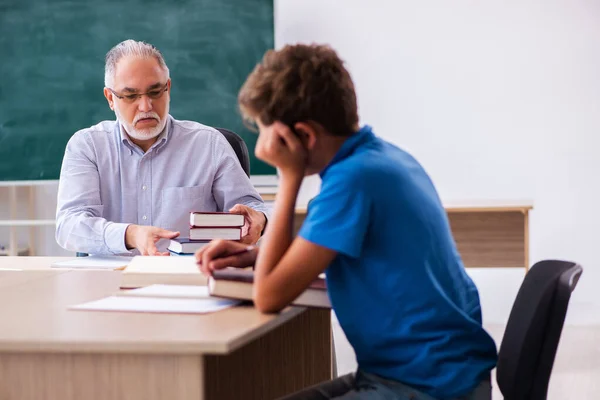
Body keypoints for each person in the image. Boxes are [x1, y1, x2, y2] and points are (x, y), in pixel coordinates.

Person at [195, 44, 498, 399]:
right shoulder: (379, 157)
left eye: (266, 133)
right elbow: (338, 256)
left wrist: (288, 177)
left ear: (303, 137)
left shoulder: (351, 182)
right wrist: (259, 258)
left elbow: (268, 296)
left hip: (430, 385)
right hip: (433, 372)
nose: (262, 146)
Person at [56, 40, 268, 256]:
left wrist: (259, 219)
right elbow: (69, 225)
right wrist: (130, 235)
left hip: (187, 276)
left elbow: (251, 207)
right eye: (130, 96)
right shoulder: (87, 146)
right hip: (109, 277)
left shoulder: (208, 144)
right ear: (110, 98)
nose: (146, 106)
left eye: (155, 92)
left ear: (168, 88)